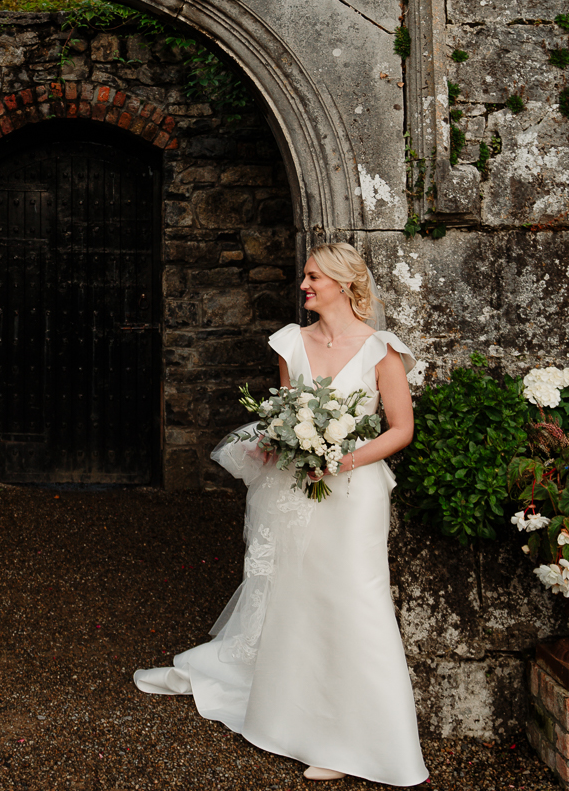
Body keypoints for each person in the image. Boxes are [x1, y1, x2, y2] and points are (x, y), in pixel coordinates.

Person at [134, 242, 428, 785]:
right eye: (306, 277)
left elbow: (401, 429)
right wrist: (278, 442)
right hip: (297, 489)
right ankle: (297, 718)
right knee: (298, 595)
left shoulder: (382, 351)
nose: (304, 286)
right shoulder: (291, 342)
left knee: (355, 599)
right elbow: (286, 414)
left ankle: (358, 739)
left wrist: (344, 458)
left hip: (356, 493)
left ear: (343, 283)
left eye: (314, 277)